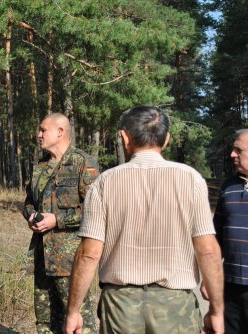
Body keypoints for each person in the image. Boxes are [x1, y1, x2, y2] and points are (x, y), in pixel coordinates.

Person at [65, 105, 224, 334]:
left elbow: (89, 253)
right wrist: (216, 311)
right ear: (166, 139)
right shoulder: (191, 180)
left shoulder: (104, 183)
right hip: (176, 307)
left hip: (120, 307)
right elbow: (208, 251)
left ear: (124, 138)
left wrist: (73, 311)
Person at [23, 113, 100, 334]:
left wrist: (57, 220)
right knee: (46, 323)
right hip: (42, 259)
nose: (38, 134)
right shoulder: (40, 166)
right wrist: (31, 215)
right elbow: (28, 202)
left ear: (60, 132)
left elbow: (95, 209)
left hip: (70, 261)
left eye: (42, 130)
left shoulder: (82, 163)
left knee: (79, 323)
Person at [213, 129, 248, 333]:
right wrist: (210, 280)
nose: (232, 155)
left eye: (239, 150)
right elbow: (216, 238)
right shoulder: (229, 186)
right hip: (231, 286)